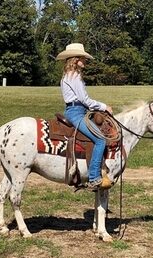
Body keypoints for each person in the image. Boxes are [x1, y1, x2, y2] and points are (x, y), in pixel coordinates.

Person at [56, 43, 113, 190]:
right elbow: (84, 100)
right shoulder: (74, 76)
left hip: (76, 110)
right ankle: (94, 177)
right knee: (100, 139)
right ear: (75, 59)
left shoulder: (67, 76)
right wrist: (104, 106)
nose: (85, 61)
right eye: (83, 58)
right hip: (76, 112)